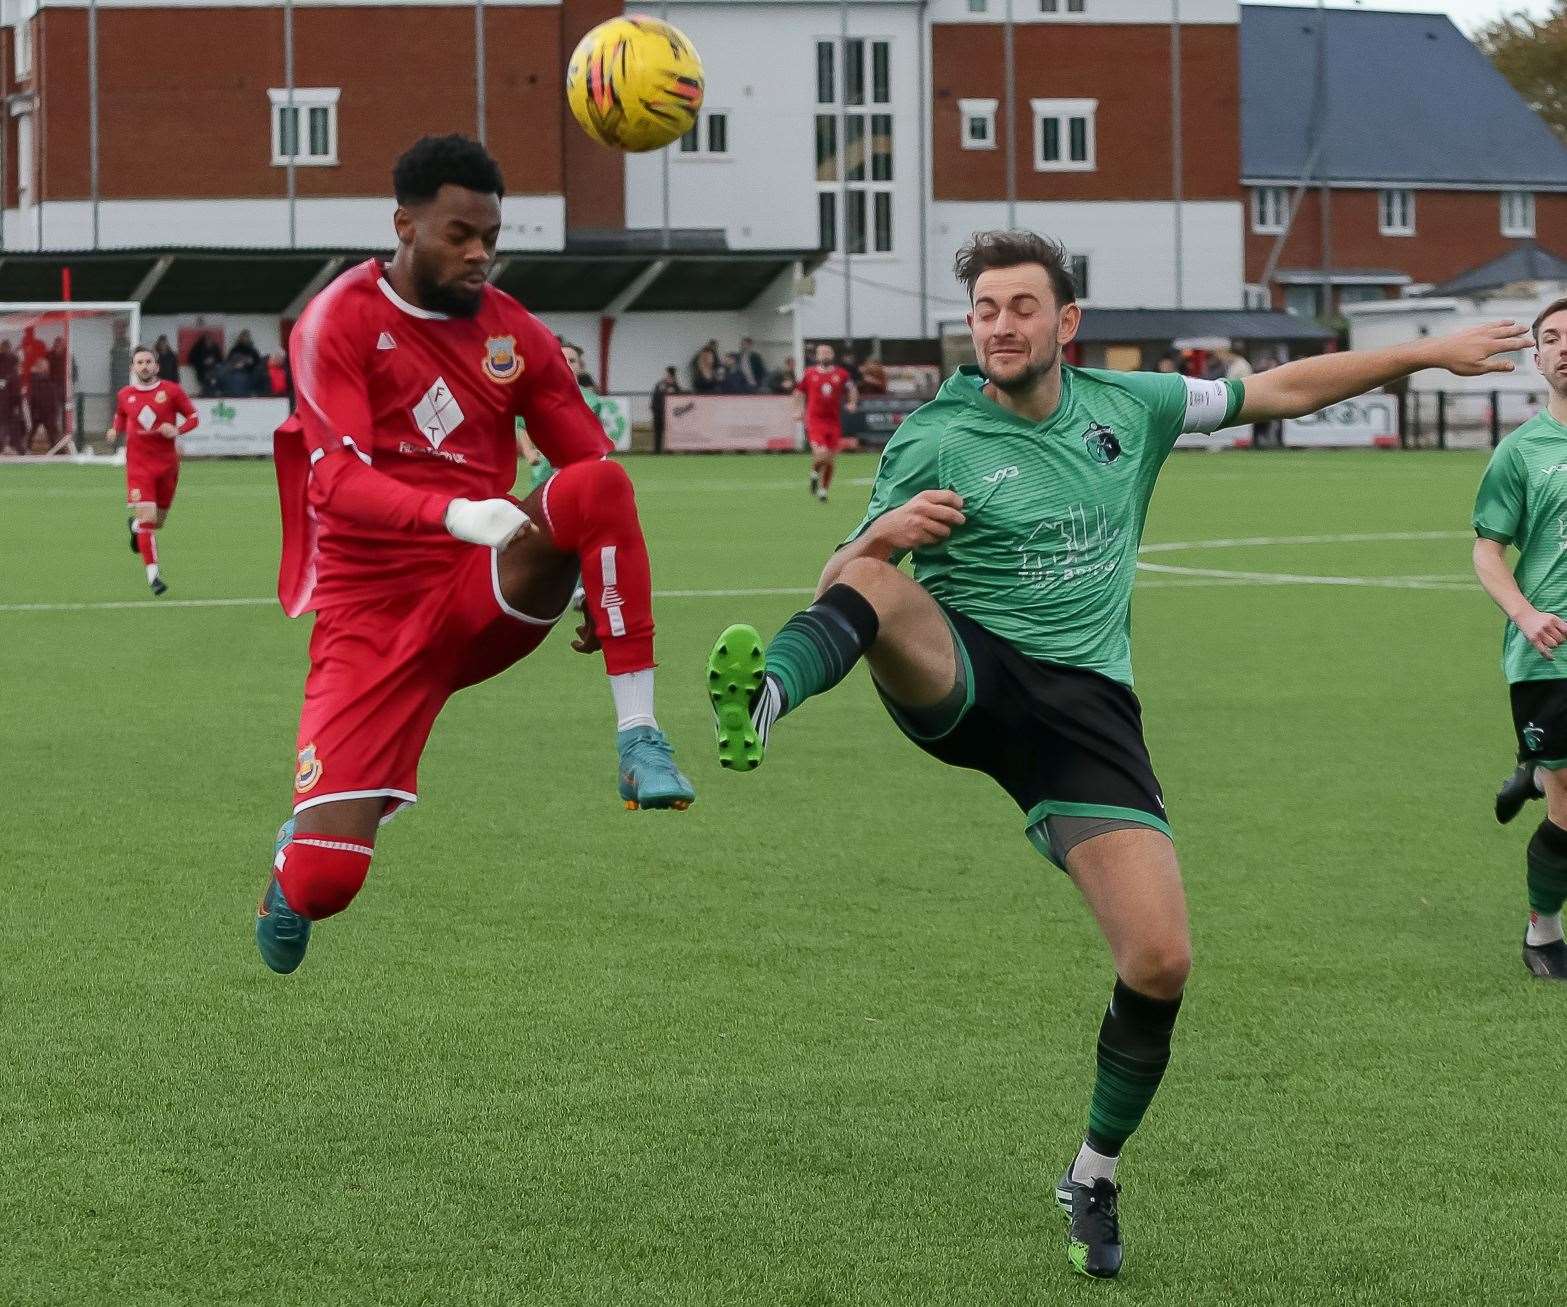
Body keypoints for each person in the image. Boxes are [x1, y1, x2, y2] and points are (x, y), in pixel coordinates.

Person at [703, 229, 1529, 1281]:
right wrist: (882, 530)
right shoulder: (934, 434)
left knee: (1159, 958)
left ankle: (1091, 1170)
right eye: (984, 310)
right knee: (871, 583)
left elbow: (1274, 389)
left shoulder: (1128, 410)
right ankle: (767, 695)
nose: (998, 326)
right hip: (963, 674)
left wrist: (1421, 351)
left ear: (1066, 321)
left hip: (1084, 717)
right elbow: (846, 577)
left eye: (1018, 307)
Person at [259, 133, 694, 976]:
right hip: (369, 619)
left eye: (490, 235)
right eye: (459, 233)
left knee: (602, 487)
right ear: (405, 226)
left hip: (480, 590)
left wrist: (586, 586)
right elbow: (336, 483)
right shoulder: (335, 321)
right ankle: (293, 861)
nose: (480, 253)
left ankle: (639, 738)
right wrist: (456, 512)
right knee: (326, 884)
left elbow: (586, 467)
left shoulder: (512, 334)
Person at [1473, 296, 1567, 982]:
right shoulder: (1521, 452)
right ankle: (1541, 932)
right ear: (1536, 359)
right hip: (1548, 653)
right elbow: (1486, 552)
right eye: (1552, 338)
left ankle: (1536, 772)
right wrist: (1525, 613)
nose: (1563, 346)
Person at [105, 345, 199, 595]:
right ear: (132, 367)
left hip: (167, 466)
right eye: (140, 362)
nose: (144, 366)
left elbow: (194, 417)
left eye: (148, 362)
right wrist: (115, 429)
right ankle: (153, 576)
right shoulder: (125, 394)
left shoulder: (171, 391)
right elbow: (120, 415)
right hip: (138, 467)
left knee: (157, 522)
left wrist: (178, 430)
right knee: (148, 519)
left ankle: (135, 528)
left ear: (156, 366)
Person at [793, 342, 857, 503]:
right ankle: (814, 473)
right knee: (821, 454)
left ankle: (823, 490)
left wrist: (852, 403)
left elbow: (852, 389)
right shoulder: (809, 373)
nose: (825, 355)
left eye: (828, 352)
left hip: (833, 421)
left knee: (830, 459)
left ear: (832, 355)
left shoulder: (841, 374)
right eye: (822, 353)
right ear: (817, 356)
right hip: (815, 421)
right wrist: (797, 410)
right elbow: (798, 393)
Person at [651, 365, 681, 452]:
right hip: (659, 412)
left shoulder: (676, 386)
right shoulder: (660, 385)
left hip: (670, 414)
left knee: (670, 433)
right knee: (658, 432)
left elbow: (679, 399)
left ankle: (670, 450)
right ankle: (657, 450)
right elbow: (655, 398)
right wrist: (654, 409)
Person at [186, 330, 222, 396]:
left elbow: (220, 360)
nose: (209, 341)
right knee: (205, 389)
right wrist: (203, 362)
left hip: (214, 373)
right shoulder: (198, 347)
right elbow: (191, 359)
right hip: (202, 372)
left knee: (213, 387)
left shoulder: (215, 348)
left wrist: (214, 361)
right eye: (207, 339)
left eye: (210, 339)